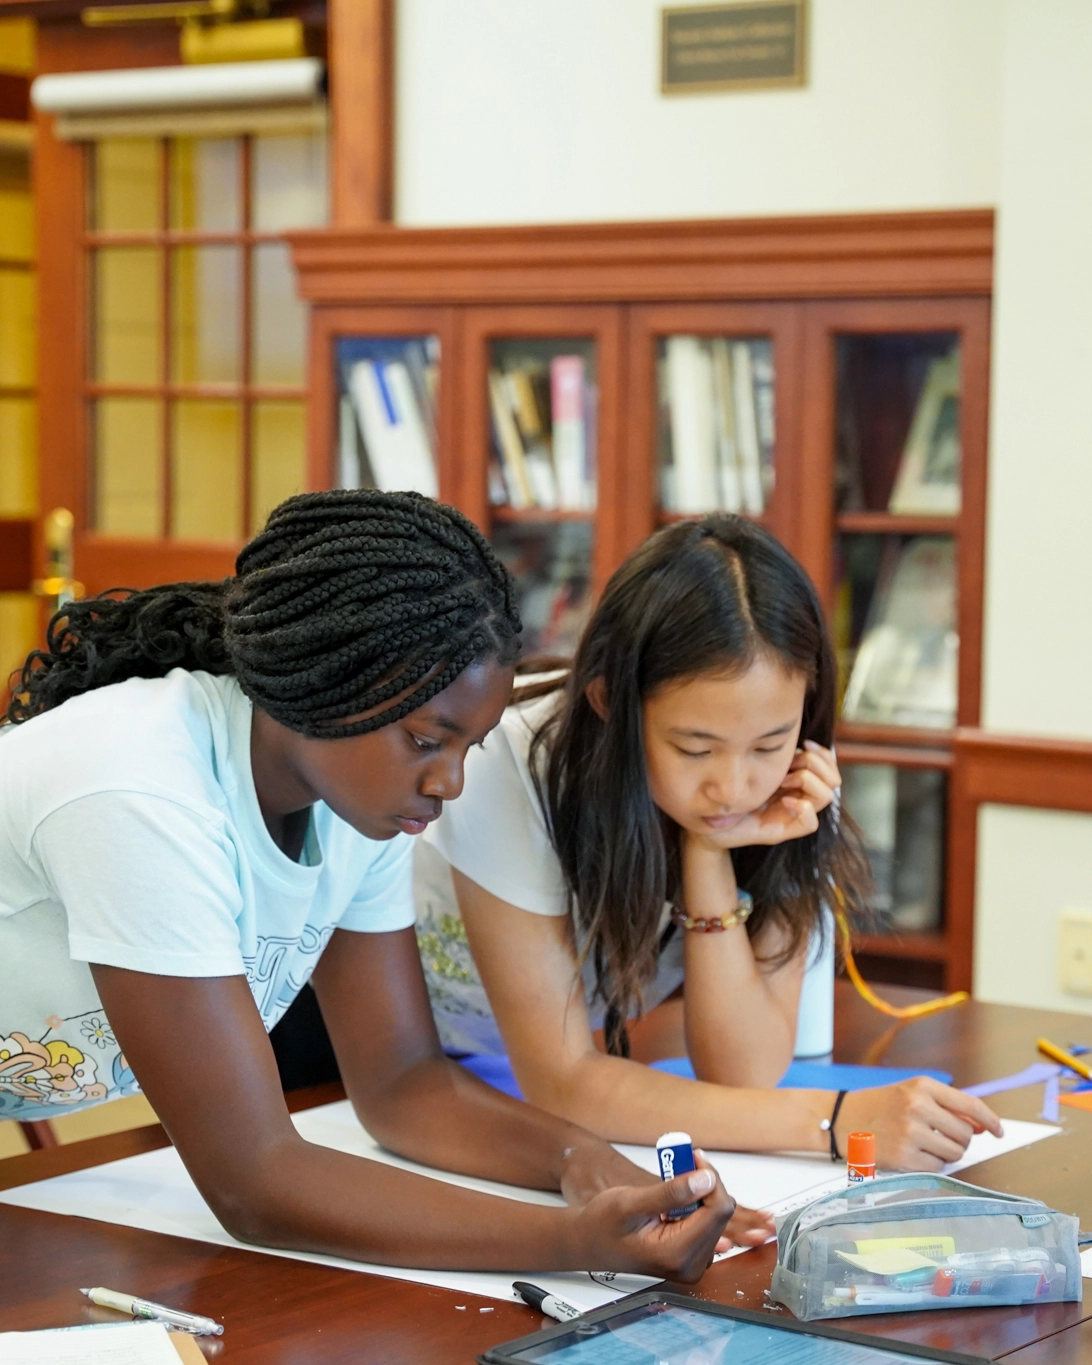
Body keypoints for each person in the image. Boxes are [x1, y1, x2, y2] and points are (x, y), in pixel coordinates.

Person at [0, 490, 764, 1278]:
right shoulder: (141, 788)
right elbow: (252, 1180)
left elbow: (403, 1083)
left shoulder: (353, 803)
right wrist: (575, 1242)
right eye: (427, 739)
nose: (451, 781)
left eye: (468, 745)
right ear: (324, 684)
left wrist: (580, 1159)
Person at [415, 514, 1002, 1170]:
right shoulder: (508, 761)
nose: (735, 785)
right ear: (612, 701)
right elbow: (563, 1081)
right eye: (695, 747)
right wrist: (836, 1119)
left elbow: (742, 1069)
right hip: (383, 1069)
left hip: (488, 1079)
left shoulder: (796, 783)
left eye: (769, 743)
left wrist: (707, 852)